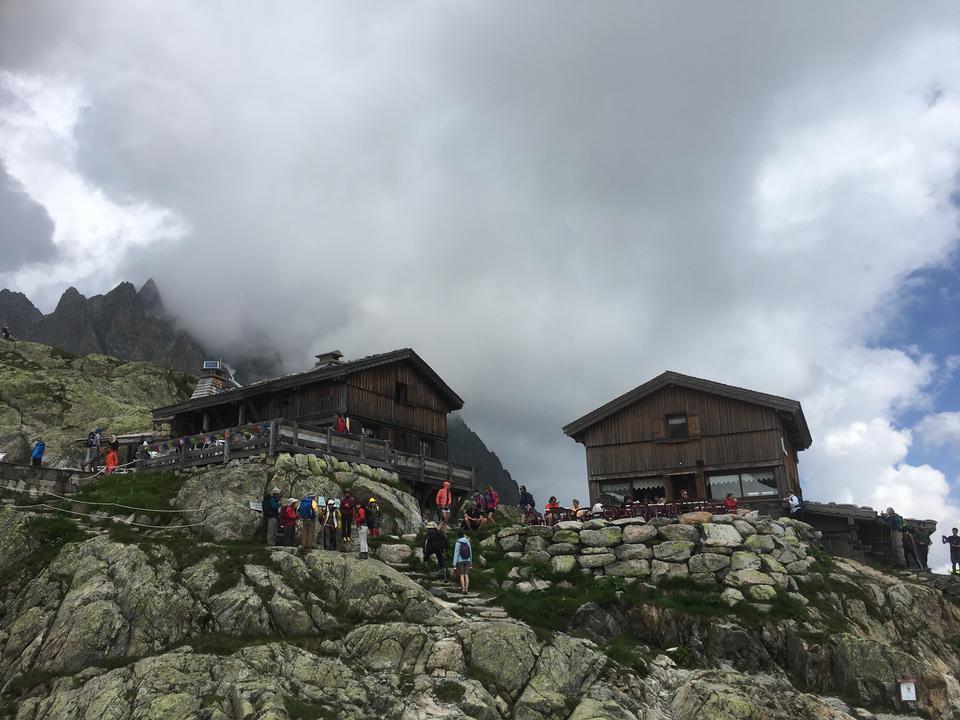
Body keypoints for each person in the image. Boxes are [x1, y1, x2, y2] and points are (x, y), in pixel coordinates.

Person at [452, 529, 472, 594]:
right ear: (463, 535)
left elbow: (456, 553)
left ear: (458, 536)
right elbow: (470, 552)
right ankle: (467, 589)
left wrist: (454, 564)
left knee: (461, 575)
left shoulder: (458, 542)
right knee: (466, 575)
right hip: (467, 560)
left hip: (460, 561)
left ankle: (463, 589)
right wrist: (470, 562)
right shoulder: (467, 541)